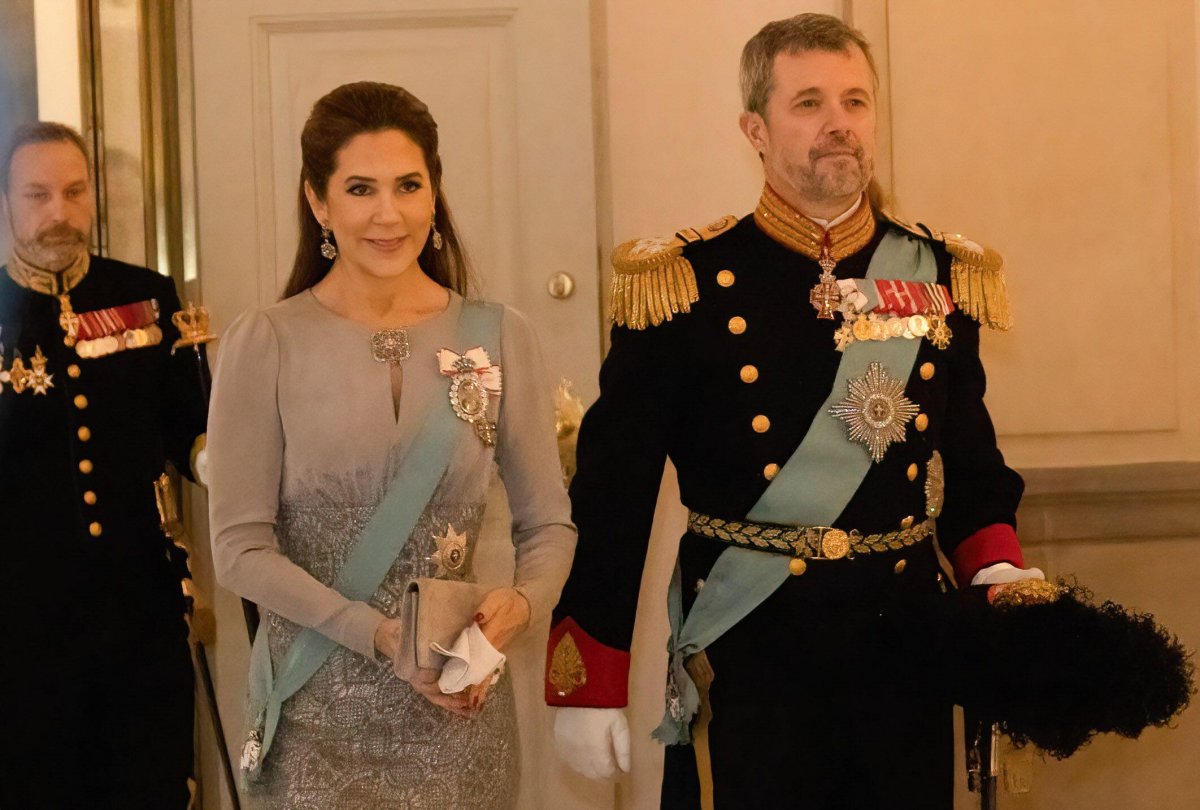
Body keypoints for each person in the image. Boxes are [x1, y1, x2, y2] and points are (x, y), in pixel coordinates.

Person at [545, 13, 1045, 809]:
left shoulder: (937, 274)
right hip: (753, 656)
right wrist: (591, 678)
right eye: (808, 102)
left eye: (855, 100)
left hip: (905, 651)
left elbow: (973, 465)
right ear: (755, 128)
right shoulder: (684, 287)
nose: (838, 123)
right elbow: (615, 493)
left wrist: (1000, 577)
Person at [206, 81, 576, 808]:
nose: (388, 213)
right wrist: (378, 636)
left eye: (409, 185)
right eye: (360, 188)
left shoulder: (499, 333)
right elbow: (239, 549)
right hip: (315, 714)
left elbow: (548, 525)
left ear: (434, 193)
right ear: (319, 202)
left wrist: (522, 604)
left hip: (459, 707)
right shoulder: (267, 341)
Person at [0, 122, 208, 808]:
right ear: (6, 202)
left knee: (150, 783)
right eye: (36, 194)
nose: (58, 211)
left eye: (73, 191)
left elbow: (193, 433)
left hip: (138, 607)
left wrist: (226, 467)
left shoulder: (147, 296)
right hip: (23, 622)